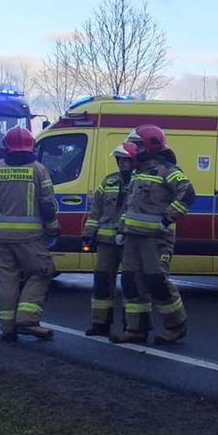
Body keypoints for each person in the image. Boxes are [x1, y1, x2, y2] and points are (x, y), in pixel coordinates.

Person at [115, 125, 195, 346]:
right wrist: (122, 229)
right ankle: (135, 330)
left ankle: (176, 326)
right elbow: (131, 206)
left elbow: (187, 193)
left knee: (157, 282)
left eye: (138, 144)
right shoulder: (138, 172)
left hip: (156, 238)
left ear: (150, 145)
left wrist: (167, 219)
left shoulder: (166, 170)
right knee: (131, 282)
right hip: (132, 237)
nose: (134, 148)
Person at [0, 126, 59, 341]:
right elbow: (47, 204)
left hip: (1, 236)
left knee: (7, 281)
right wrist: (53, 226)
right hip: (31, 237)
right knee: (42, 272)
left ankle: (7, 328)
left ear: (6, 147)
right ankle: (26, 319)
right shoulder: (38, 170)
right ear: (30, 146)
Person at [82, 140, 138, 337]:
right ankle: (100, 324)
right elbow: (95, 210)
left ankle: (131, 327)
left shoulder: (142, 182)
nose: (122, 163)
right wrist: (88, 234)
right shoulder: (108, 181)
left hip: (130, 241)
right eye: (119, 160)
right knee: (102, 282)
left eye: (125, 160)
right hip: (106, 243)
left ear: (134, 160)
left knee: (131, 284)